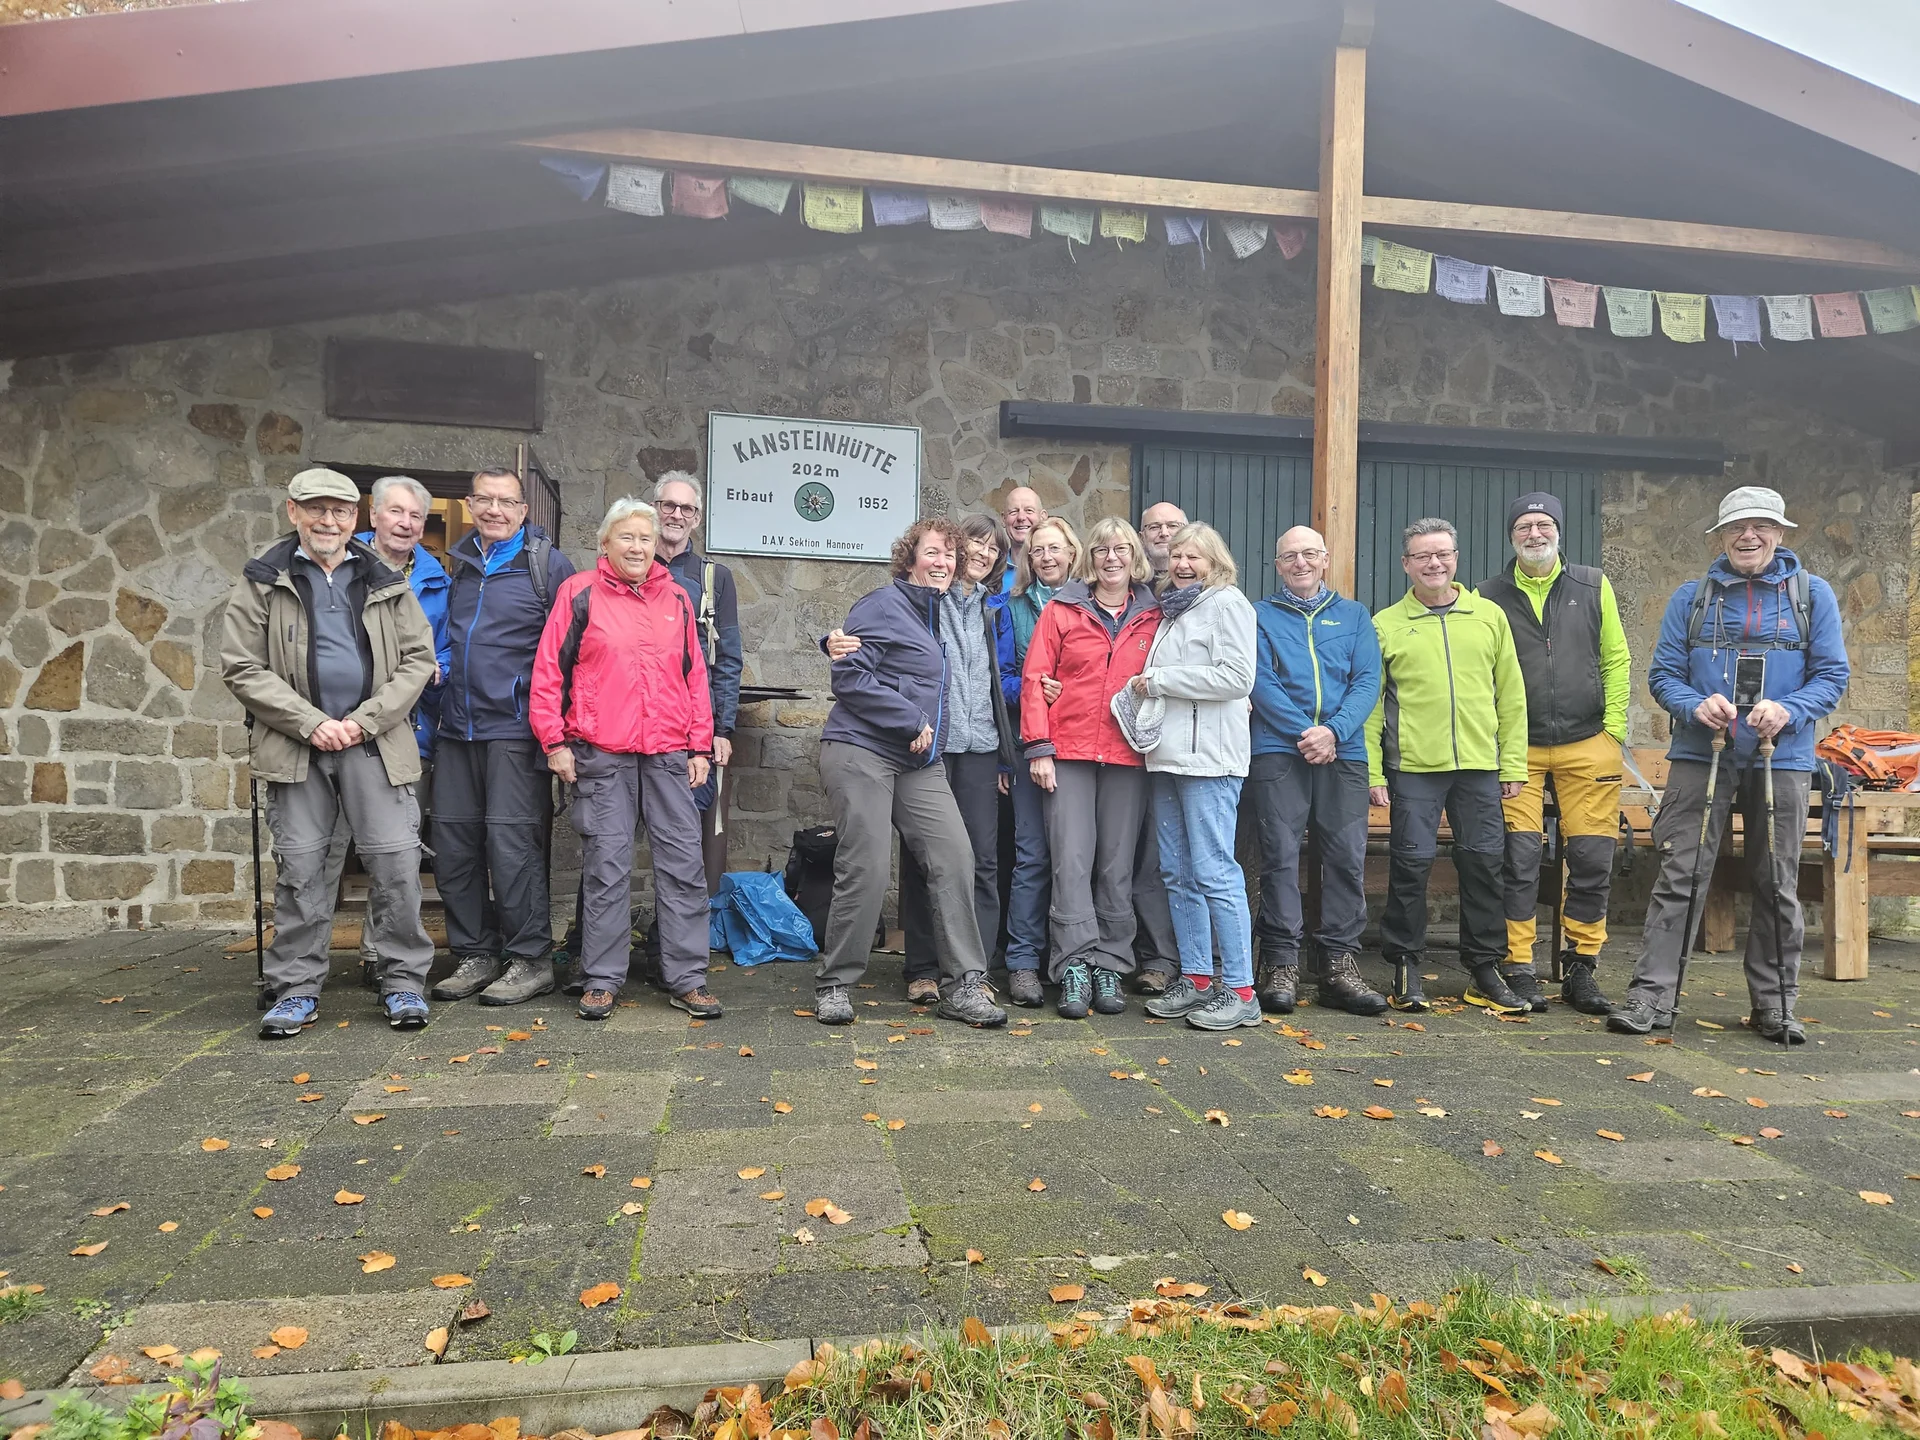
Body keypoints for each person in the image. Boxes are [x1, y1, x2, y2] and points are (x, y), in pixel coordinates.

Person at [1610, 486, 1848, 1043]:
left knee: (1777, 879)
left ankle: (1775, 1004)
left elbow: (1832, 676)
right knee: (1681, 874)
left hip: (1782, 757)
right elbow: (1663, 676)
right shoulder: (1689, 599)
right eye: (1738, 526)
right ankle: (1651, 998)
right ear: (1719, 536)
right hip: (1702, 752)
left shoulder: (1813, 596)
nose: (1750, 535)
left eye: (1762, 525)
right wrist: (1694, 705)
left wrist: (1789, 709)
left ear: (1781, 534)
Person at [220, 468, 438, 1039]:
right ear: (293, 512)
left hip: (376, 744)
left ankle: (403, 983)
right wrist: (312, 722)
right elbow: (241, 665)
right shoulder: (265, 579)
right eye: (316, 509)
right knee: (302, 867)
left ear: (355, 518)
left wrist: (362, 722)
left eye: (340, 511)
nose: (328, 521)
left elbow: (418, 659)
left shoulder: (385, 579)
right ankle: (295, 988)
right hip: (297, 746)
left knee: (395, 864)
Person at [530, 499, 722, 1022]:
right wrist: (555, 742)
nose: (637, 547)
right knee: (607, 868)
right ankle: (602, 979)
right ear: (605, 545)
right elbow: (550, 671)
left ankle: (687, 977)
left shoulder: (677, 597)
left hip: (666, 754)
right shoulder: (580, 593)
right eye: (626, 538)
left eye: (645, 538)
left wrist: (700, 745)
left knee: (683, 867)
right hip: (602, 754)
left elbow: (695, 676)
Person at [811, 518, 1008, 1029]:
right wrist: (911, 717)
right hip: (861, 748)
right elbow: (849, 673)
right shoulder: (884, 603)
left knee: (955, 856)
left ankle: (963, 983)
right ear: (910, 557)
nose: (941, 562)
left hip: (918, 760)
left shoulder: (943, 613)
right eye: (932, 552)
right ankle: (835, 982)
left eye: (949, 555)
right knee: (869, 864)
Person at [1365, 518, 1530, 1015]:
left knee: (1483, 865)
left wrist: (1513, 764)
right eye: (1422, 556)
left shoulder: (1489, 616)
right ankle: (1405, 963)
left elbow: (1512, 695)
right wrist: (1374, 773)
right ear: (1406, 564)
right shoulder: (1387, 623)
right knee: (1411, 864)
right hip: (1413, 768)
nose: (1434, 563)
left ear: (1456, 557)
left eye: (1442, 554)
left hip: (1480, 766)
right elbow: (1373, 706)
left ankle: (1484, 968)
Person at [1477, 493, 1632, 1015]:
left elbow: (1615, 657)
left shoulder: (1593, 585)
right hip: (1516, 749)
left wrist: (1613, 731)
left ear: (1559, 532)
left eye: (1544, 524)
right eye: (1524, 526)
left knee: (1591, 858)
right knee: (1518, 858)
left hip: (1588, 743)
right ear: (1511, 535)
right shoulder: (1489, 595)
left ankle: (1581, 966)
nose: (1535, 534)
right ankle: (1518, 966)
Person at [430, 466, 575, 1007]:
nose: (494, 510)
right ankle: (475, 953)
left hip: (516, 729)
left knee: (511, 847)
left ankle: (529, 958)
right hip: (456, 727)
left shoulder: (546, 566)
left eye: (505, 502)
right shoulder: (459, 565)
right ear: (470, 504)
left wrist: (557, 730)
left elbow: (570, 648)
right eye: (484, 500)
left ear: (523, 509)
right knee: (454, 845)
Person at [1023, 516, 1162, 1019]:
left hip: (1130, 755)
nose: (1111, 557)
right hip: (1070, 751)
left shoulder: (1156, 613)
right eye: (1102, 549)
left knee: (1117, 864)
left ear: (1135, 556)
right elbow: (1036, 677)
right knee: (1072, 860)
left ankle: (1111, 962)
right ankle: (1074, 963)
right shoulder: (1062, 610)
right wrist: (1039, 746)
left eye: (1121, 548)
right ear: (1090, 557)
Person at [1247, 525, 1388, 1017]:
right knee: (1279, 856)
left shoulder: (1354, 615)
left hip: (1344, 754)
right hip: (1278, 752)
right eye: (1290, 556)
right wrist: (1306, 733)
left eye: (1309, 554)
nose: (1300, 563)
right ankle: (1281, 964)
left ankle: (1339, 967)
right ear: (1278, 564)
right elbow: (1259, 680)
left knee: (1346, 858)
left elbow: (1368, 679)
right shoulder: (1259, 615)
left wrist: (1334, 732)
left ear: (1325, 559)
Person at [1131, 523, 1262, 1031]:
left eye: (1195, 557)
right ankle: (1198, 978)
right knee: (1177, 874)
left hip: (1210, 761)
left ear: (1216, 562)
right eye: (1178, 555)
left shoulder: (1228, 604)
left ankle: (1242, 990)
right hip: (1166, 759)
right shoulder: (1174, 608)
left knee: (1214, 873)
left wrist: (1160, 681)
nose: (1184, 564)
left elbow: (1236, 679)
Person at [321, 475, 450, 987]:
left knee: (393, 852)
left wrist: (442, 666)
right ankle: (308, 959)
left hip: (406, 734)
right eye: (395, 512)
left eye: (415, 515)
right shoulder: (337, 570)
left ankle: (378, 954)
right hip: (332, 731)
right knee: (326, 848)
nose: (405, 523)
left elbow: (446, 646)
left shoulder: (440, 581)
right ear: (373, 515)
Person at [1001, 517, 1081, 1005]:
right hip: (1029, 744)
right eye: (1037, 551)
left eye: (1055, 548)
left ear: (1073, 552)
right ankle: (1023, 961)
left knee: (1078, 859)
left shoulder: (1092, 605)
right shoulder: (1013, 610)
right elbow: (1003, 676)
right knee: (1032, 856)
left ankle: (1071, 957)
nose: (1046, 557)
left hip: (1083, 750)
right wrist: (1033, 686)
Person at [652, 471, 744, 891]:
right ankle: (590, 941)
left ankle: (669, 942)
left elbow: (726, 658)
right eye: (668, 505)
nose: (676, 514)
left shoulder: (714, 577)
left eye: (685, 508)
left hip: (689, 727)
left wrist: (722, 730)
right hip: (627, 726)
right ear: (654, 509)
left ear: (697, 518)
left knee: (683, 838)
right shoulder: (628, 565)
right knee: (610, 840)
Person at [1127, 499, 1187, 994]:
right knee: (1134, 856)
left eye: (1173, 526)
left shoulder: (1211, 593)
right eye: (1154, 527)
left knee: (1172, 858)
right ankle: (1136, 955)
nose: (1163, 534)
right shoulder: (1134, 592)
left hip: (1186, 744)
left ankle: (1172, 959)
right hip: (1131, 743)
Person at [1000, 486, 1047, 593]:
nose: (1021, 517)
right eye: (1013, 512)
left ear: (1043, 517)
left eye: (1029, 510)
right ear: (1003, 519)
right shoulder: (992, 569)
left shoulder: (1053, 569)